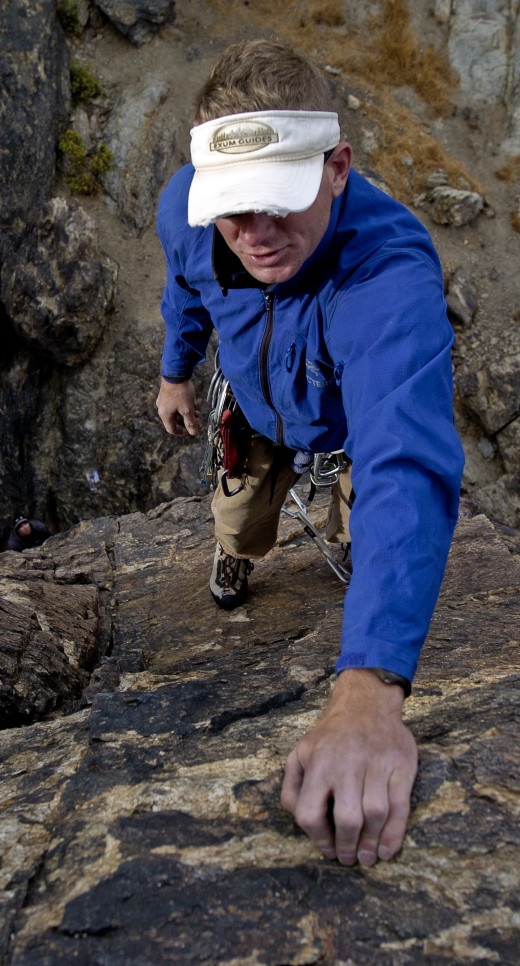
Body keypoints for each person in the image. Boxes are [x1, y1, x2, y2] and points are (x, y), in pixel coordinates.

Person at [155, 38, 464, 867]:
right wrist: (174, 373)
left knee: (375, 523)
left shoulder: (386, 268)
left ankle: (362, 582)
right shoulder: (188, 206)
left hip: (348, 422)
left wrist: (369, 691)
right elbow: (186, 285)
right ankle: (237, 557)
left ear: (338, 167)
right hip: (255, 413)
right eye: (234, 209)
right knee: (242, 522)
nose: (254, 236)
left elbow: (403, 452)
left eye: (278, 202)